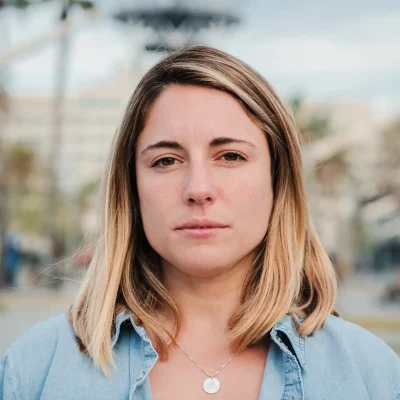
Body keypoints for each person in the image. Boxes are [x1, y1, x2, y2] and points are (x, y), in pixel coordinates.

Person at [1, 45, 399, 400]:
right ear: (132, 189)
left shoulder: (372, 374)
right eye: (166, 161)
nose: (199, 189)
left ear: (278, 181)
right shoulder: (34, 371)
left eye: (230, 156)